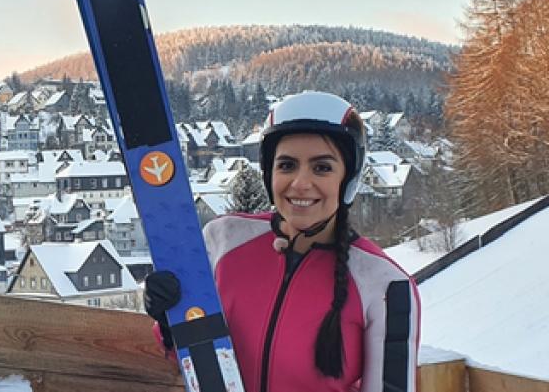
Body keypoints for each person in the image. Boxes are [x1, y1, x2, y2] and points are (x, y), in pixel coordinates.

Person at [144, 91, 419, 392]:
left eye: (322, 167)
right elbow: (191, 360)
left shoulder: (385, 285)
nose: (300, 183)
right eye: (286, 165)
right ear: (269, 172)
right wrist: (171, 323)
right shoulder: (224, 241)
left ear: (348, 177)